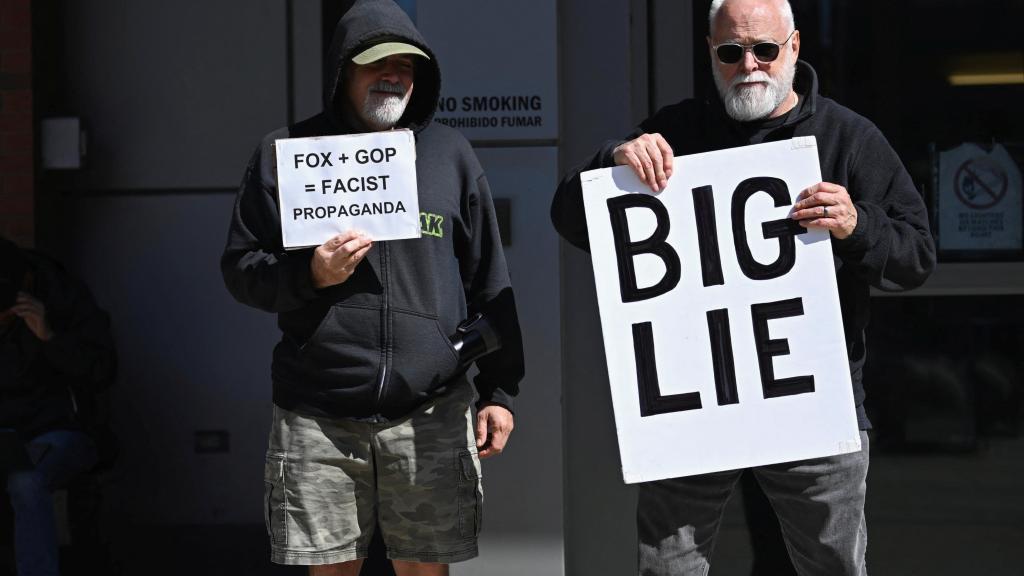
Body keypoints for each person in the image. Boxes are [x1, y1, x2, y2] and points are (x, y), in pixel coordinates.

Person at [550, 0, 935, 573]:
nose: (748, 64)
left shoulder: (848, 138)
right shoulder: (676, 131)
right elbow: (570, 217)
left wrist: (858, 227)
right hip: (694, 400)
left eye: (765, 50)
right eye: (731, 52)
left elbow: (916, 256)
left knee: (831, 564)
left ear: (795, 47)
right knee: (668, 565)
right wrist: (613, 161)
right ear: (711, 53)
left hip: (810, 400)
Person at [220, 1, 524, 574]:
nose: (394, 77)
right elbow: (241, 269)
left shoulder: (450, 155)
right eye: (377, 65)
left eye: (408, 67)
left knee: (424, 568)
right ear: (342, 71)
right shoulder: (287, 155)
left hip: (431, 411)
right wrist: (309, 276)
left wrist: (500, 392)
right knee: (329, 569)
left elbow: (490, 279)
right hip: (318, 415)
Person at [0, 236, 116, 576]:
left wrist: (49, 338)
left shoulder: (61, 297)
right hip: (6, 433)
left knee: (27, 482)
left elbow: (102, 370)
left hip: (57, 431)